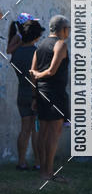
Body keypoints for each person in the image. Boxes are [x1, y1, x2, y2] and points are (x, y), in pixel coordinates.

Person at [30, 15, 70, 181]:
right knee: (54, 133)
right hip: (55, 93)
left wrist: (34, 96)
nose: (69, 32)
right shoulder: (60, 44)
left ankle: (42, 170)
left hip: (41, 92)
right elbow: (52, 70)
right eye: (68, 28)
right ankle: (49, 172)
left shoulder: (39, 46)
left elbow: (32, 73)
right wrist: (41, 74)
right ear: (62, 29)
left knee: (43, 133)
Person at [8, 14, 44, 171]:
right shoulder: (37, 52)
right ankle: (38, 163)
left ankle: (21, 162)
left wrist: (19, 36)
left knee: (24, 129)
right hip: (34, 94)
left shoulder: (15, 53)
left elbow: (10, 48)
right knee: (36, 129)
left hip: (21, 93)